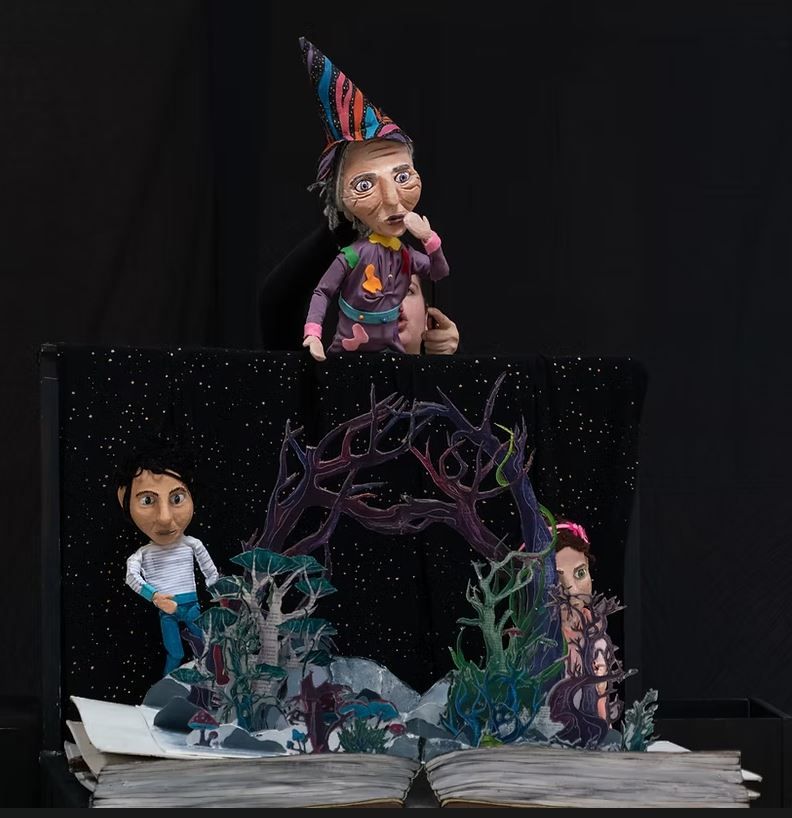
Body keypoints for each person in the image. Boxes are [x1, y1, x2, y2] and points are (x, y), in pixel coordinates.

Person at [296, 37, 451, 361]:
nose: (392, 200)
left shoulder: (405, 256)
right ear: (343, 199)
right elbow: (322, 291)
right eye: (365, 184)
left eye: (402, 177)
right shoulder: (352, 255)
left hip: (396, 358)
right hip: (349, 351)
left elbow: (438, 272)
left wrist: (430, 240)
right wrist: (313, 333)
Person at [115, 439, 219, 677]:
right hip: (167, 611)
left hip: (192, 606)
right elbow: (131, 577)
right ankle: (167, 689)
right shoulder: (141, 555)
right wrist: (154, 596)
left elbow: (210, 571)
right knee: (175, 653)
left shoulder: (192, 544)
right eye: (147, 500)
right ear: (124, 500)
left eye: (177, 499)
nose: (164, 518)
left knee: (206, 646)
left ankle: (212, 684)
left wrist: (219, 591)